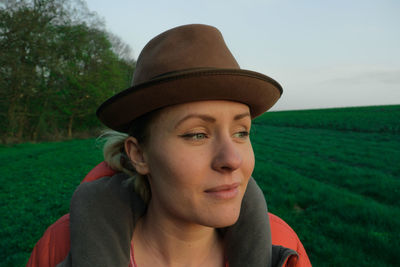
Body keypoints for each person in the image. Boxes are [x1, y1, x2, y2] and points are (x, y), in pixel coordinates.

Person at [27, 24, 311, 267]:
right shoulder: (59, 245)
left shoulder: (284, 244)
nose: (232, 159)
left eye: (241, 132)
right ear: (139, 155)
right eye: (197, 134)